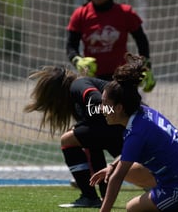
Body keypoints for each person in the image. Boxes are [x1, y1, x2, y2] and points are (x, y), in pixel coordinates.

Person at [90, 53, 178, 212]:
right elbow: (124, 161)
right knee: (127, 172)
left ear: (119, 108)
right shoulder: (144, 112)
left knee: (132, 209)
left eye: (104, 104)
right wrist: (111, 166)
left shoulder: (136, 133)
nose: (101, 109)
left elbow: (116, 178)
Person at [24, 67, 125, 208]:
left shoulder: (78, 85)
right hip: (124, 129)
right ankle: (92, 197)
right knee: (89, 143)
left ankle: (89, 197)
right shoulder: (78, 101)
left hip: (128, 128)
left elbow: (96, 100)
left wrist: (82, 125)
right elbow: (94, 145)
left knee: (68, 139)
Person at [66, 0, 156, 91]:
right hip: (92, 79)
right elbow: (71, 46)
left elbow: (142, 41)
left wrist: (146, 68)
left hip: (121, 79)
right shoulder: (80, 14)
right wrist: (78, 60)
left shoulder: (125, 13)